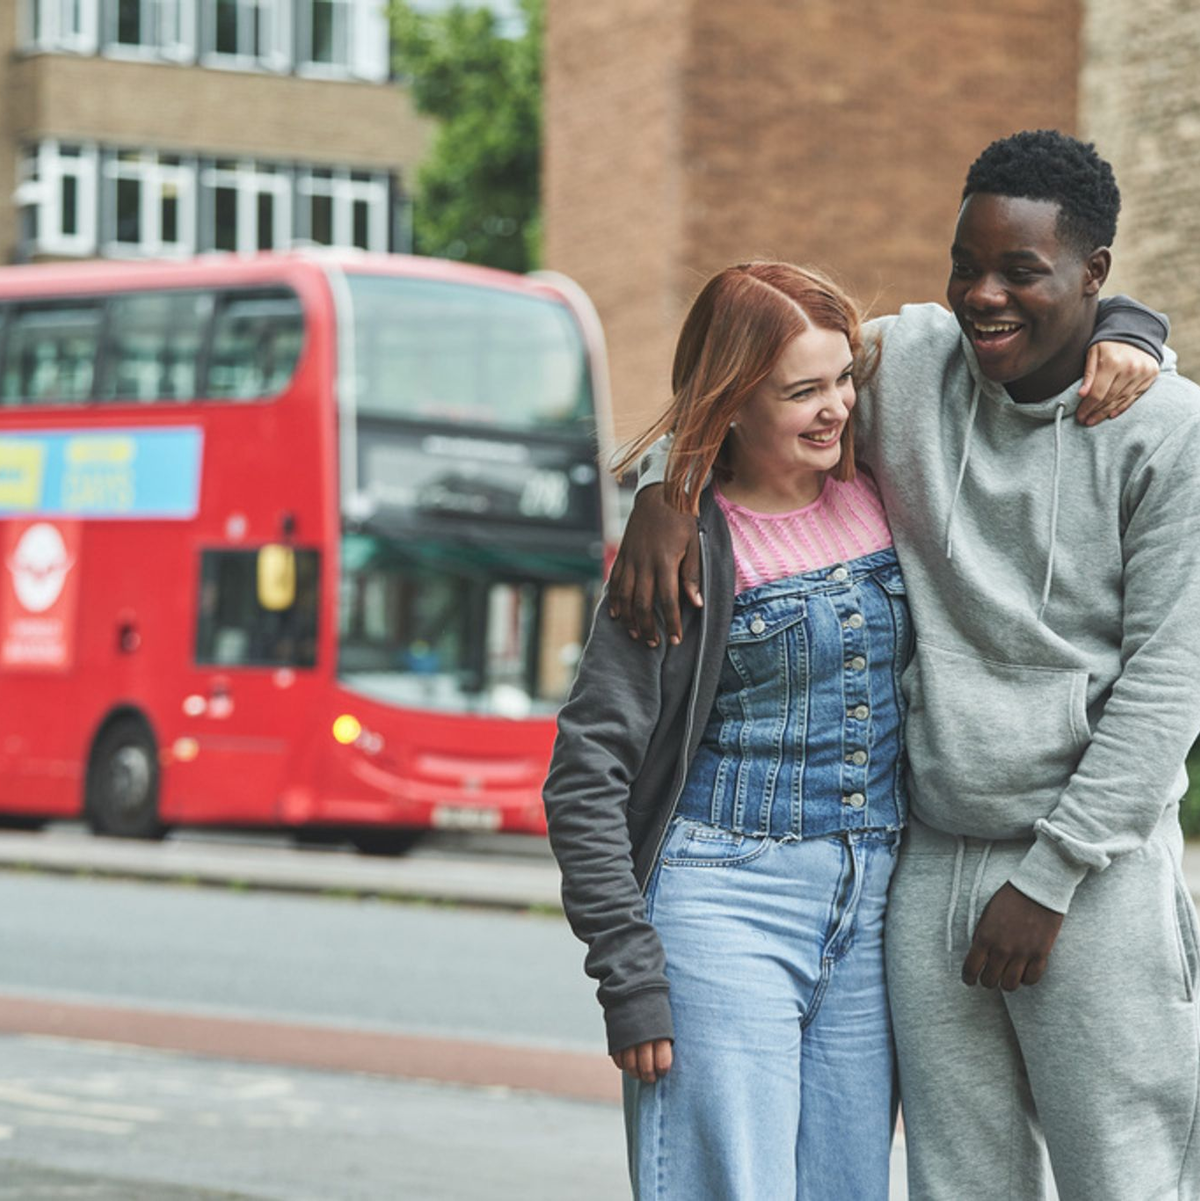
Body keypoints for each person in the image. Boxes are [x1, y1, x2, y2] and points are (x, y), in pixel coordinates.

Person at [609, 130, 1200, 1201]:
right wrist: (670, 486)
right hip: (924, 868)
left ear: (1095, 275)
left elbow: (1170, 689)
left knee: (1128, 1176)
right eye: (966, 265)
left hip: (1093, 880)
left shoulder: (1169, 431)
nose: (984, 295)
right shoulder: (909, 362)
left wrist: (1051, 879)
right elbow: (754, 386)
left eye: (1021, 271)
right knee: (958, 1182)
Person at [544, 262, 910, 1200]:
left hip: (872, 911)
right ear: (735, 401)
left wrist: (1129, 332)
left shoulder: (879, 486)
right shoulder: (681, 549)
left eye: (843, 379)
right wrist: (629, 974)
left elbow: (1012, 334)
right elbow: (586, 769)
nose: (837, 407)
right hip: (723, 907)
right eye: (802, 391)